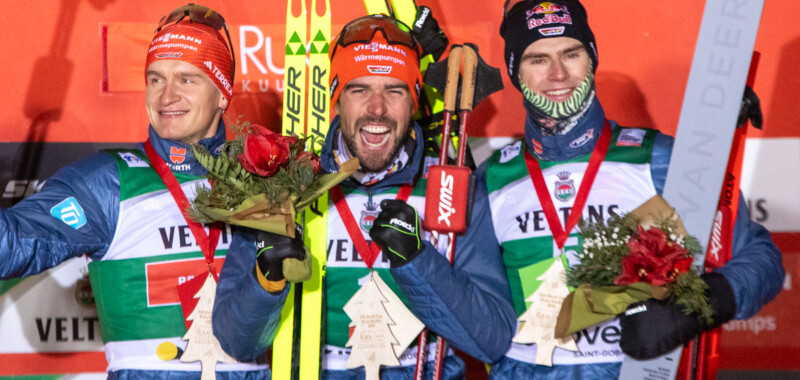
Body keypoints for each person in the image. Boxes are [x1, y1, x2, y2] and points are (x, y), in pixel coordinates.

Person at [450, 0, 780, 378]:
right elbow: (479, 320)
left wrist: (695, 307)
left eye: (571, 54)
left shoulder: (657, 159)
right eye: (537, 60)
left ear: (591, 58)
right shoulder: (492, 179)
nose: (558, 74)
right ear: (516, 72)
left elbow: (761, 259)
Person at [212, 13, 517, 379]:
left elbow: (492, 340)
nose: (377, 108)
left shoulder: (450, 186)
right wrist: (266, 281)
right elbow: (235, 342)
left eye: (394, 90)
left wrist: (418, 262)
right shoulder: (286, 185)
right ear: (336, 101)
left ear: (415, 101)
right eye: (360, 90)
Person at [0, 4, 278, 379]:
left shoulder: (263, 181)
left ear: (223, 94)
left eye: (187, 79)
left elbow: (257, 336)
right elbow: (13, 243)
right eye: (156, 79)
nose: (167, 97)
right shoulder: (106, 182)